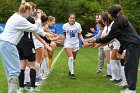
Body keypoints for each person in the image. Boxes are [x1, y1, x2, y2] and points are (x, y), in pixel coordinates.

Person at [84, 6, 140, 93]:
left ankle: (132, 90)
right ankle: (130, 88)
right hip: (132, 45)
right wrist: (120, 50)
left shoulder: (116, 23)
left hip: (132, 45)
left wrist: (94, 40)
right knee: (128, 67)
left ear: (110, 15)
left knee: (130, 68)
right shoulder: (122, 19)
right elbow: (123, 36)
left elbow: (108, 38)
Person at [0, 0, 50, 93]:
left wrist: (45, 35)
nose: (31, 13)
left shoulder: (15, 16)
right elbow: (34, 28)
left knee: (10, 70)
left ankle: (13, 90)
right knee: (15, 70)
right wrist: (39, 19)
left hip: (4, 43)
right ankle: (12, 91)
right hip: (9, 44)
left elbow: (34, 29)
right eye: (30, 11)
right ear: (26, 11)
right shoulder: (20, 20)